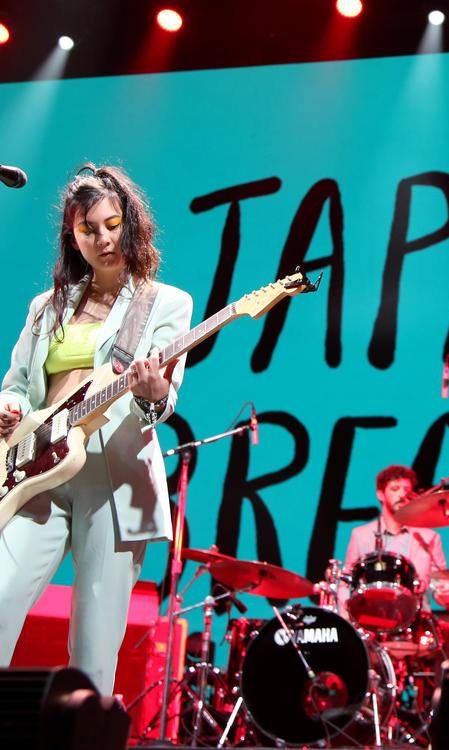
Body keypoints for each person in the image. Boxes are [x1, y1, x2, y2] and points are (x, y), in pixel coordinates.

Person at [0, 164, 193, 694]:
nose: (103, 238)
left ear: (131, 225)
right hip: (36, 473)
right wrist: (10, 409)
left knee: (92, 652)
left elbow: (161, 401)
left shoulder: (166, 303)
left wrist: (154, 395)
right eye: (89, 229)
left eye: (112, 224)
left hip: (114, 480)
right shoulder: (47, 307)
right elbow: (17, 385)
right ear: (73, 236)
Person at [342, 464, 449, 624]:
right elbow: (346, 583)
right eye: (395, 489)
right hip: (371, 624)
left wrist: (446, 594)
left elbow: (443, 594)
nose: (402, 494)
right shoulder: (361, 535)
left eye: (406, 490)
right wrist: (347, 620)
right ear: (381, 494)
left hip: (416, 627)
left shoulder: (429, 537)